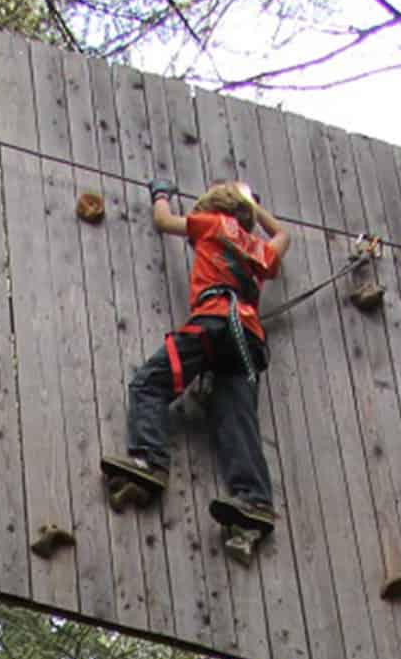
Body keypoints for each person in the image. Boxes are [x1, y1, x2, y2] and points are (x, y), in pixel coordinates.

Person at [103, 179, 291, 563]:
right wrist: (254, 211)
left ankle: (149, 461)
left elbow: (163, 221)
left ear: (214, 208)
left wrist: (160, 195)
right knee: (237, 421)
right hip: (248, 343)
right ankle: (254, 502)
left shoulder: (211, 224)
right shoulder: (258, 249)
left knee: (150, 382)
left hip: (213, 324)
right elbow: (284, 235)